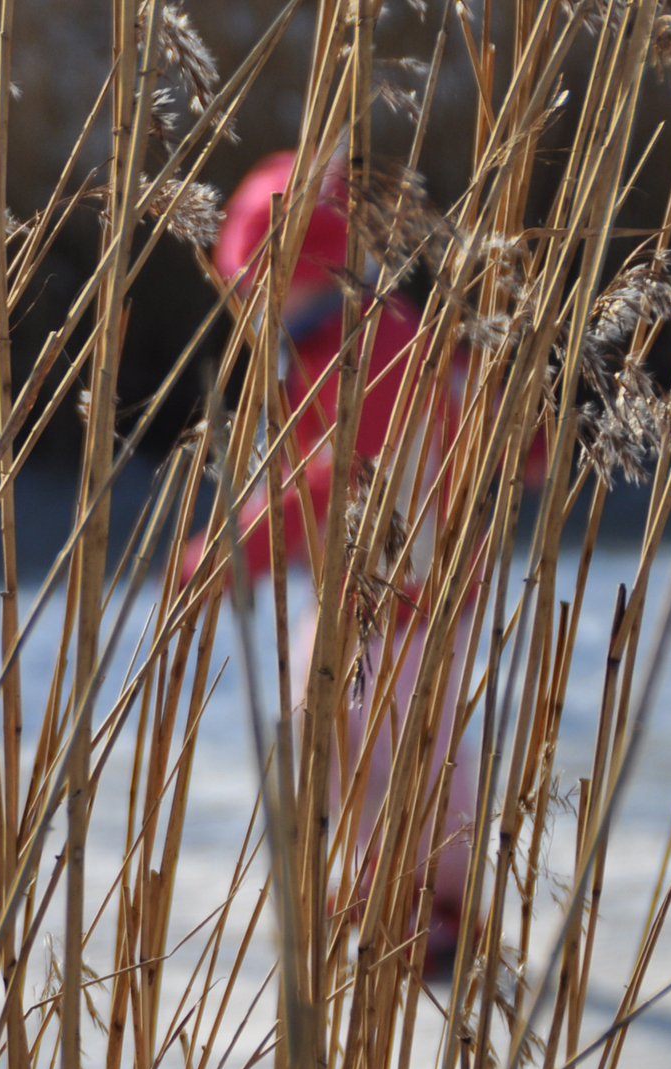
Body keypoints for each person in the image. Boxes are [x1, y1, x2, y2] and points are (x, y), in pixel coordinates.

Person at [178, 150, 495, 974]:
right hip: (359, 591)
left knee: (409, 748)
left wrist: (241, 544)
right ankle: (367, 881)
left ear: (325, 268)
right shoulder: (316, 346)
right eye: (248, 291)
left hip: (417, 589)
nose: (259, 307)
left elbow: (343, 478)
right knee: (325, 722)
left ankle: (438, 904)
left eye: (272, 287)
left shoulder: (379, 344)